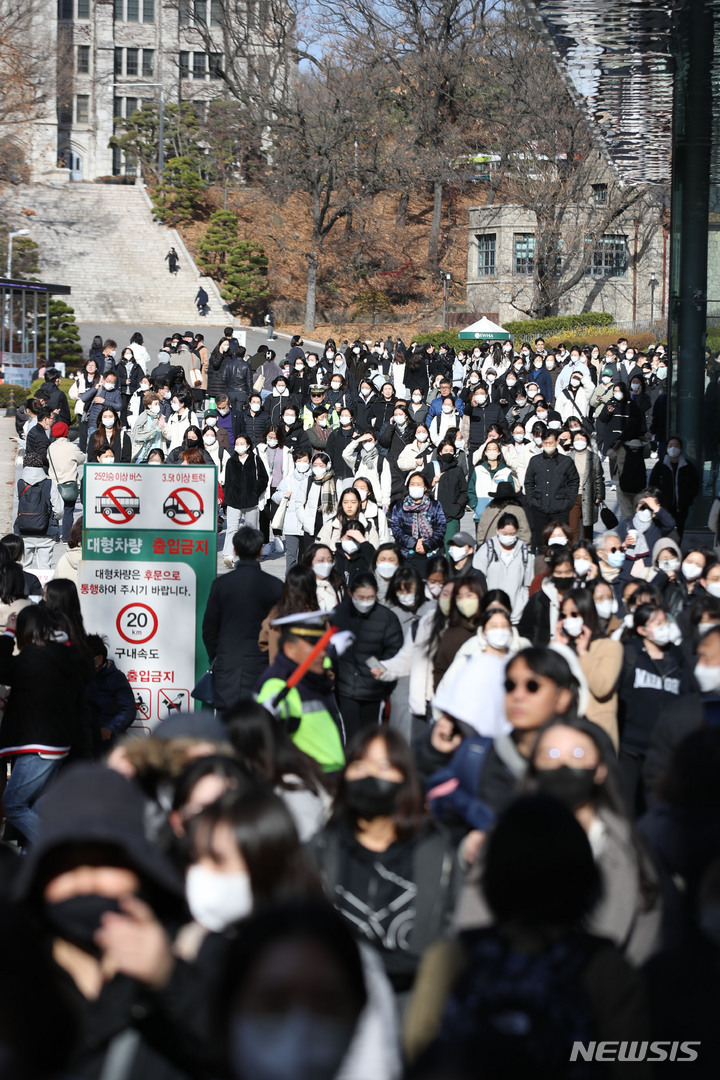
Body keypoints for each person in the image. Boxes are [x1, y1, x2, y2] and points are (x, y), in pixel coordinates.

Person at [406, 796, 649, 1073]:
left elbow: (419, 1049)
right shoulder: (606, 969)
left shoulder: (452, 958)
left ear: (493, 874)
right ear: (584, 876)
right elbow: (631, 1065)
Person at [308, 727, 459, 996]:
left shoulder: (439, 855)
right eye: (359, 765)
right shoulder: (317, 850)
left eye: (384, 766)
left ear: (406, 780)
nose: (370, 775)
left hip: (413, 1006)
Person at [0, 605, 90, 842]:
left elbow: (2, 668)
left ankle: (54, 848)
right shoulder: (59, 655)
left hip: (39, 745)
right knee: (38, 807)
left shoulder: (34, 657)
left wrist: (7, 634)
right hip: (56, 743)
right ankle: (38, 861)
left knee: (13, 805)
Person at [617, 603, 691, 817]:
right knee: (626, 809)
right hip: (629, 748)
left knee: (657, 810)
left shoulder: (678, 656)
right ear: (642, 630)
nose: (664, 627)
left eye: (665, 622)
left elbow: (685, 694)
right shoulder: (629, 654)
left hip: (662, 750)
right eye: (657, 623)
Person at [202, 526, 283, 712]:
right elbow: (280, 631)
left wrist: (217, 655)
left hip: (227, 665)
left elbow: (209, 628)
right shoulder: (275, 586)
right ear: (261, 550)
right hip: (262, 667)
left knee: (227, 727)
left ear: (235, 551)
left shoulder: (221, 585)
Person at [255, 612, 346, 774]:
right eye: (315, 646)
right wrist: (266, 716)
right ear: (290, 648)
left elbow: (321, 659)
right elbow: (273, 709)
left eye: (323, 646)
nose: (323, 653)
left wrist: (333, 651)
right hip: (309, 780)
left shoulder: (311, 675)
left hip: (327, 778)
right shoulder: (278, 683)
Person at [331, 573, 404, 741]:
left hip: (373, 687)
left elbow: (395, 648)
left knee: (369, 738)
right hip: (345, 688)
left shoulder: (386, 617)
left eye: (370, 597)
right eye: (360, 597)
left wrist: (381, 667)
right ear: (350, 594)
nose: (365, 602)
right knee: (349, 737)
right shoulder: (339, 614)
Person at [553, 587, 623, 748]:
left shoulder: (609, 646)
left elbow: (602, 688)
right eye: (564, 615)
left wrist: (583, 653)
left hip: (596, 735)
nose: (569, 619)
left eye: (574, 614)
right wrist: (559, 649)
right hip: (562, 732)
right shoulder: (557, 647)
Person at [473, 512, 534, 624]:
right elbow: (476, 582)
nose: (508, 537)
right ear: (497, 530)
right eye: (504, 533)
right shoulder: (486, 550)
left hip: (517, 616)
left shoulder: (525, 553)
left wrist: (523, 604)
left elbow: (528, 584)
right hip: (491, 613)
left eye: (512, 534)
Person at [523, 429, 580, 550]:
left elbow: (574, 481)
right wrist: (532, 500)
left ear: (557, 442)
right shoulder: (535, 461)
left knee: (560, 541)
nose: (548, 446)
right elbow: (529, 482)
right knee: (541, 542)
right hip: (539, 507)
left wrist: (569, 501)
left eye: (551, 443)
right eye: (545, 443)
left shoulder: (566, 461)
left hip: (560, 508)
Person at [221, 434, 268, 567]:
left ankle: (252, 555)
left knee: (252, 530)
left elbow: (263, 479)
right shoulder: (231, 461)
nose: (239, 446)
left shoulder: (255, 459)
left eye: (242, 443)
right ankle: (228, 555)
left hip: (251, 501)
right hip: (234, 502)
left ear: (248, 445)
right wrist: (228, 497)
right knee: (232, 529)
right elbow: (228, 482)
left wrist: (255, 492)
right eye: (237, 443)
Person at [85, 633, 136, 753]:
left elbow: (128, 709)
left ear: (98, 659)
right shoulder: (78, 677)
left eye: (85, 659)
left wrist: (110, 728)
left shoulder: (116, 678)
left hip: (105, 745)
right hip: (81, 742)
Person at [14, 451, 63, 569]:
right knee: (45, 567)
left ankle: (26, 587)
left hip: (24, 531)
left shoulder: (20, 484)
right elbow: (59, 509)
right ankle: (43, 587)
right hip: (45, 532)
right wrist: (53, 519)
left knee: (25, 566)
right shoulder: (49, 483)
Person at [390, 473, 446, 575]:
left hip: (431, 554)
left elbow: (441, 527)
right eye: (412, 484)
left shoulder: (435, 505)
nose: (415, 487)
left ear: (425, 487)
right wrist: (414, 543)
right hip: (406, 555)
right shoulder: (399, 506)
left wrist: (427, 545)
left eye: (418, 484)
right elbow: (396, 529)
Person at [518, 547, 576, 646]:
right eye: (559, 573)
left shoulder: (581, 597)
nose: (563, 577)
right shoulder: (539, 599)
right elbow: (525, 632)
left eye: (567, 572)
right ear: (552, 573)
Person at [648, 435, 700, 538]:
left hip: (681, 508)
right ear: (666, 448)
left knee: (678, 532)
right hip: (663, 507)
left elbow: (694, 484)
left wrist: (688, 499)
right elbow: (652, 484)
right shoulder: (660, 465)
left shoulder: (687, 466)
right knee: (663, 531)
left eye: (676, 445)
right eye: (670, 445)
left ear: (680, 448)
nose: (673, 448)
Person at [47, 420, 84, 542]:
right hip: (69, 483)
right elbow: (82, 458)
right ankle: (67, 537)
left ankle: (55, 535)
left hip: (54, 484)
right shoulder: (72, 447)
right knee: (68, 511)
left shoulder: (51, 447)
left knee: (54, 511)